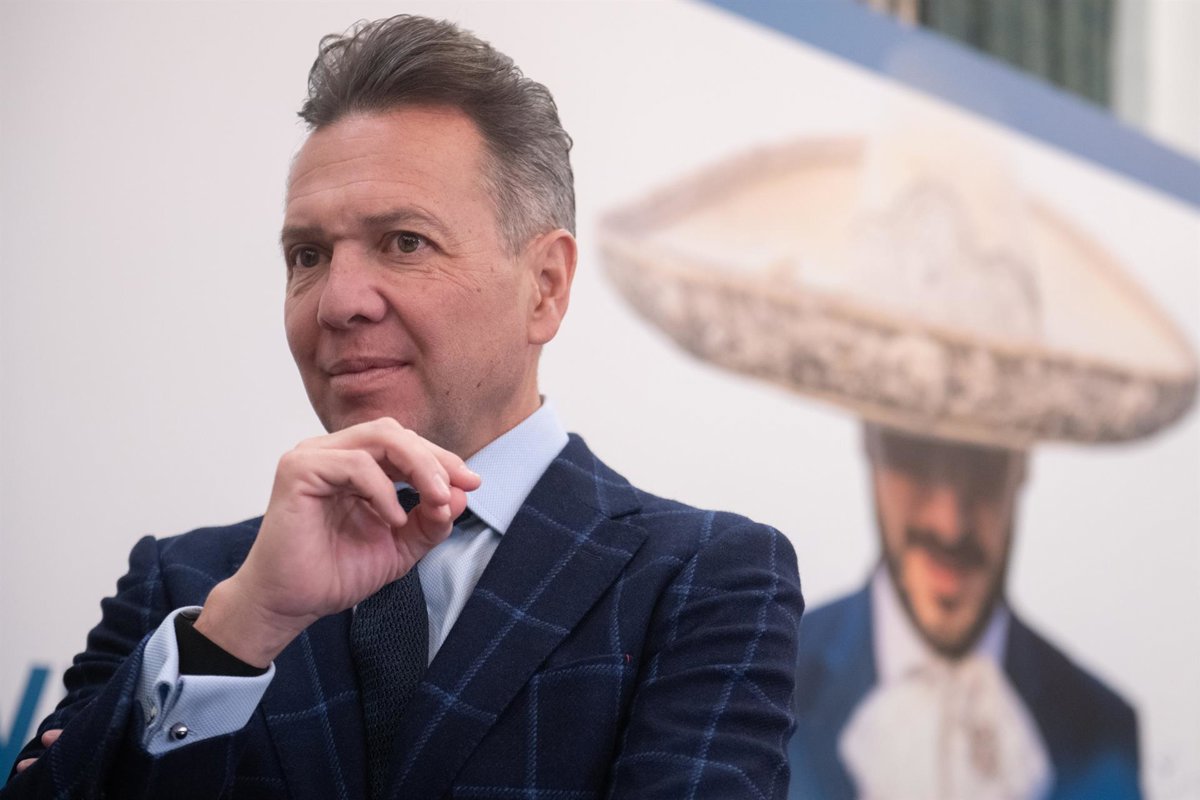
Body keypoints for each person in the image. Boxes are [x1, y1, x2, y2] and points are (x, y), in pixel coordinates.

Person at [3, 15, 802, 799]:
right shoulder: (191, 588)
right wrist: (243, 631)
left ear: (545, 287)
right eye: (308, 255)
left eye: (404, 242)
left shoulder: (704, 579)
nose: (338, 302)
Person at [787, 424, 1140, 800]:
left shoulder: (1107, 733)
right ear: (868, 440)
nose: (950, 525)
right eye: (915, 450)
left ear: (1023, 463)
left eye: (985, 457)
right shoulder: (768, 686)